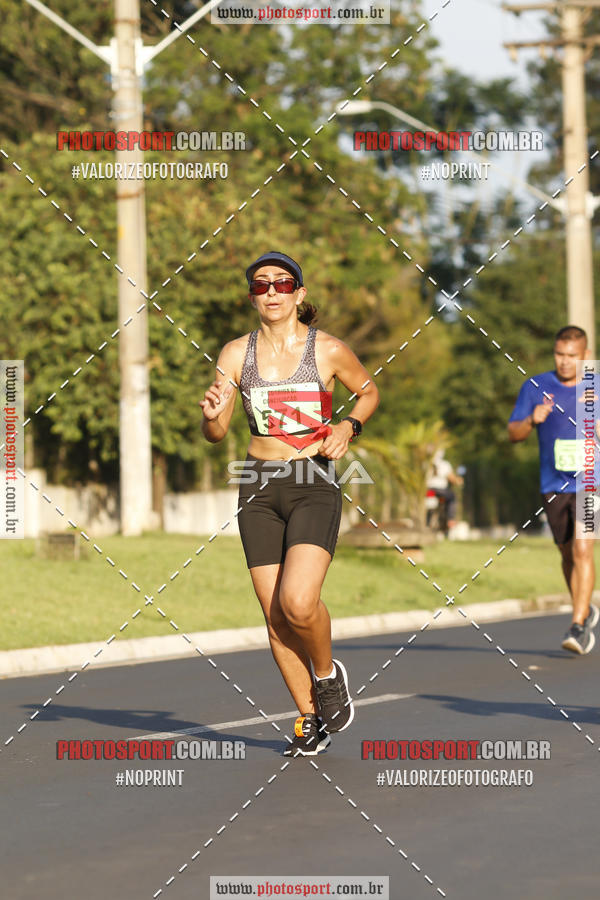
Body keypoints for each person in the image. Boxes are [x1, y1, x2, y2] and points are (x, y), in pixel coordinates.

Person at [200, 251, 379, 755]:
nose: (272, 292)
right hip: (257, 484)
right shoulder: (235, 354)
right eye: (261, 285)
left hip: (312, 482)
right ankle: (309, 719)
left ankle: (326, 676)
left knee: (298, 602)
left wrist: (348, 426)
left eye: (282, 283)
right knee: (274, 616)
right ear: (253, 297)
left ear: (299, 294)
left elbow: (368, 393)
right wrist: (214, 415)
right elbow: (215, 433)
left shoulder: (329, 351)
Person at [508, 325, 599, 655]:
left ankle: (577, 625)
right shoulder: (536, 386)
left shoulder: (597, 387)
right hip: (553, 482)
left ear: (585, 356)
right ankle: (585, 607)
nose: (564, 361)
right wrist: (532, 419)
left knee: (583, 550)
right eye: (559, 354)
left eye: (571, 356)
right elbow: (513, 433)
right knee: (566, 553)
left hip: (592, 482)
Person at [426, 449, 463, 530]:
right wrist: (458, 481)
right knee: (452, 497)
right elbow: (452, 479)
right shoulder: (444, 464)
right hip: (440, 491)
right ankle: (450, 519)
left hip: (428, 491)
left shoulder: (425, 463)